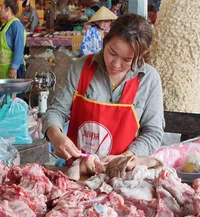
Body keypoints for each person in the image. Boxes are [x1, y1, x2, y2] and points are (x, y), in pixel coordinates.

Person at [43, 14, 164, 177]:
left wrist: (125, 158)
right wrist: (55, 134)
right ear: (105, 39)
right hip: (79, 173)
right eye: (112, 53)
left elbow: (153, 132)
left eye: (127, 60)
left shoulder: (149, 79)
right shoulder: (80, 68)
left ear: (143, 54)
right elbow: (57, 110)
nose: (116, 64)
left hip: (123, 176)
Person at [0, 0, 26, 79]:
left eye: (1, 8)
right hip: (3, 70)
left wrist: (14, 67)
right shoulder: (4, 25)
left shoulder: (16, 25)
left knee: (16, 92)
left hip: (14, 70)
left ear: (7, 9)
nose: (0, 11)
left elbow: (19, 48)